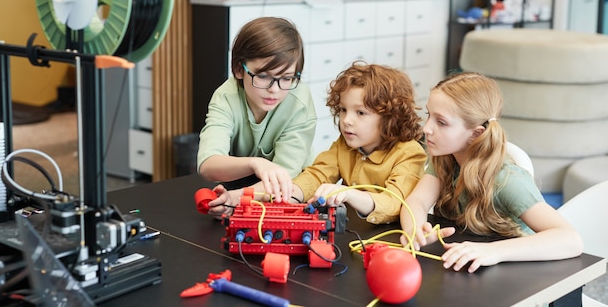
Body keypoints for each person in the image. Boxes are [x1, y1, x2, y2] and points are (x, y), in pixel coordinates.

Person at [399, 72, 583, 273]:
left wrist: (493, 251)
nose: (426, 129)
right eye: (429, 115)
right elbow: (416, 202)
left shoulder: (507, 180)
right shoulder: (445, 158)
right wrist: (414, 229)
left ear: (475, 134)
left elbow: (570, 239)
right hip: (472, 271)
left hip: (520, 278)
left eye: (441, 122)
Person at [207, 62, 427, 224]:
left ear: (390, 117)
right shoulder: (345, 145)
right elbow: (312, 178)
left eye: (360, 112)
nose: (346, 121)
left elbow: (394, 204)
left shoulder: (410, 153)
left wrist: (348, 194)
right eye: (343, 110)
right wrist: (243, 198)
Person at [197, 17, 316, 202]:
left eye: (286, 78)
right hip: (244, 185)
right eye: (262, 76)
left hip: (290, 189)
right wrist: (256, 164)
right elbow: (208, 164)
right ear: (238, 69)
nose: (274, 89)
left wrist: (233, 199)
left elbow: (281, 181)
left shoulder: (298, 102)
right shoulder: (226, 97)